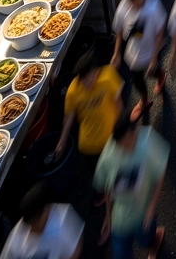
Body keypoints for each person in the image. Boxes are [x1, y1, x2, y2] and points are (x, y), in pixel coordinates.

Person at [54, 50, 123, 235]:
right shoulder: (73, 91)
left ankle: (111, 213)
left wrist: (120, 132)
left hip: (110, 142)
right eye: (82, 81)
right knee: (100, 176)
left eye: (89, 78)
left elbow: (119, 105)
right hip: (88, 147)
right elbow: (69, 116)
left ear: (96, 71)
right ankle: (105, 194)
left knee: (113, 177)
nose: (86, 84)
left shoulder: (108, 77)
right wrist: (62, 141)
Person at [94, 114, 169, 259]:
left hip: (143, 214)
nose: (124, 149)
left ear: (133, 132)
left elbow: (160, 175)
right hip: (120, 220)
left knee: (146, 240)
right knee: (120, 254)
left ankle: (153, 239)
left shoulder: (148, 141)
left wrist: (151, 207)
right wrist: (108, 218)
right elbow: (107, 188)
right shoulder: (108, 155)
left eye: (126, 143)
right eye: (120, 145)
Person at [111, 0, 167, 121]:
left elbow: (160, 33)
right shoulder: (123, 8)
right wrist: (117, 53)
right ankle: (144, 100)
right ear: (129, 0)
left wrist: (153, 58)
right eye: (135, 1)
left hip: (152, 49)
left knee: (153, 71)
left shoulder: (154, 5)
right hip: (133, 53)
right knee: (137, 80)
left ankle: (160, 75)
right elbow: (119, 30)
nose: (140, 3)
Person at [0, 183, 84, 259]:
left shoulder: (64, 222)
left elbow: (75, 251)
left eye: (34, 224)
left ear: (45, 212)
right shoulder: (20, 232)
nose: (31, 230)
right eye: (30, 226)